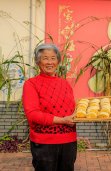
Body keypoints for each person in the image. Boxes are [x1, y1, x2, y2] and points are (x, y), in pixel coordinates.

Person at [22, 43, 77, 171]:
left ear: (58, 61)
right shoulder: (31, 84)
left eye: (53, 58)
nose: (49, 62)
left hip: (69, 141)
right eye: (45, 58)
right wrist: (62, 120)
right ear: (38, 61)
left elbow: (73, 108)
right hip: (44, 143)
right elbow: (33, 114)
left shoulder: (65, 83)